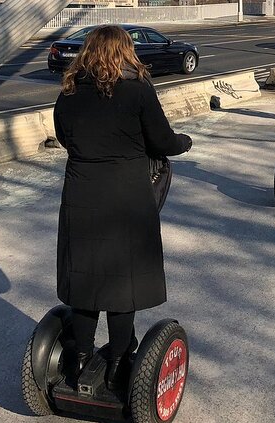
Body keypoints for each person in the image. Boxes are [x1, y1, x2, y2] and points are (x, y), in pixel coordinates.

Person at [53, 25, 192, 390]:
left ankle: (80, 356)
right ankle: (117, 361)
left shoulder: (68, 91)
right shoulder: (138, 89)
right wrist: (184, 141)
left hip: (81, 195)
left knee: (85, 278)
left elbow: (65, 138)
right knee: (122, 282)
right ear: (126, 51)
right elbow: (162, 140)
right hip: (127, 197)